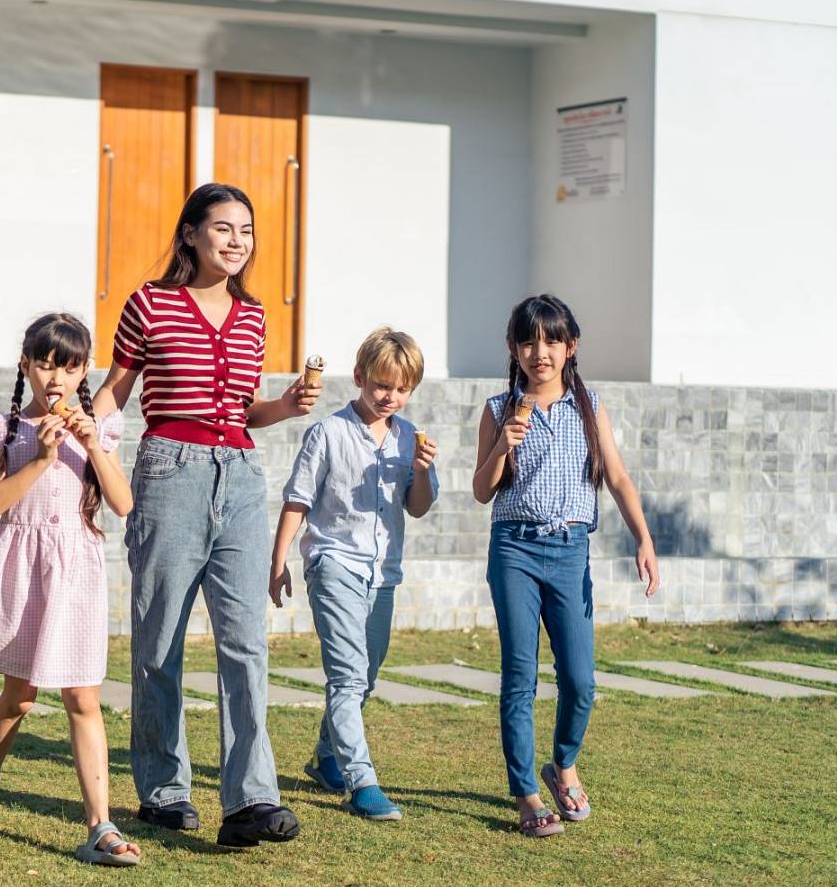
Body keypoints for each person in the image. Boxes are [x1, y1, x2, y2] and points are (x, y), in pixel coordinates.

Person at [91, 182, 318, 848]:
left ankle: (251, 799)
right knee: (158, 642)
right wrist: (70, 427)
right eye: (223, 228)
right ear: (190, 234)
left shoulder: (253, 317)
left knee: (245, 644)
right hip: (169, 471)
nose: (236, 242)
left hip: (243, 477)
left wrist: (285, 405)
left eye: (245, 231)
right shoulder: (150, 303)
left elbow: (244, 411)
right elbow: (116, 392)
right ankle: (164, 791)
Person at [0, 313, 140, 867]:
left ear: (84, 371)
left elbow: (123, 504)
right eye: (46, 364)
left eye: (70, 366)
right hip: (21, 570)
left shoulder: (100, 426)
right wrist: (45, 457)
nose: (56, 378)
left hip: (75, 571)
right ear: (26, 364)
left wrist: (89, 443)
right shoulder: (6, 427)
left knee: (83, 696)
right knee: (21, 695)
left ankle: (99, 825)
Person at [472, 293, 660, 837]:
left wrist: (643, 540)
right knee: (520, 676)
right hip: (514, 549)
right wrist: (502, 446)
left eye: (552, 340)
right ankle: (527, 794)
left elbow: (618, 478)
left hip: (571, 548)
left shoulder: (590, 405)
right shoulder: (496, 409)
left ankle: (564, 764)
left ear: (571, 346)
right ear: (513, 347)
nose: (540, 352)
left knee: (579, 680)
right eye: (528, 341)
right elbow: (482, 492)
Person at [269, 327, 438, 821]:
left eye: (403, 389)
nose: (392, 397)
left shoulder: (410, 439)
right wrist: (278, 563)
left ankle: (326, 758)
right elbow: (297, 499)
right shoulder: (328, 433)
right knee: (347, 676)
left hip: (383, 574)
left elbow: (419, 507)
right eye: (383, 385)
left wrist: (423, 471)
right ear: (361, 378)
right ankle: (362, 782)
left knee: (365, 678)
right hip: (333, 563)